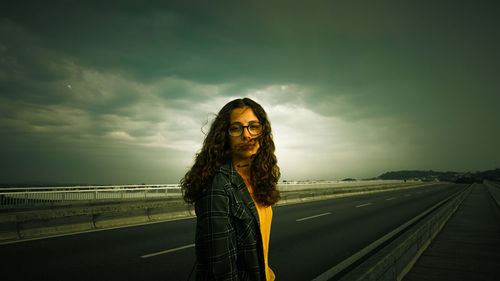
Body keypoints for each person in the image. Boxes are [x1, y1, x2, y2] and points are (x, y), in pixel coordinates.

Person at [181, 98, 281, 281]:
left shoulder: (256, 177)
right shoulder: (217, 186)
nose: (246, 135)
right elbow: (221, 270)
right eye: (236, 128)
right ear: (224, 136)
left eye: (253, 126)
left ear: (262, 131)